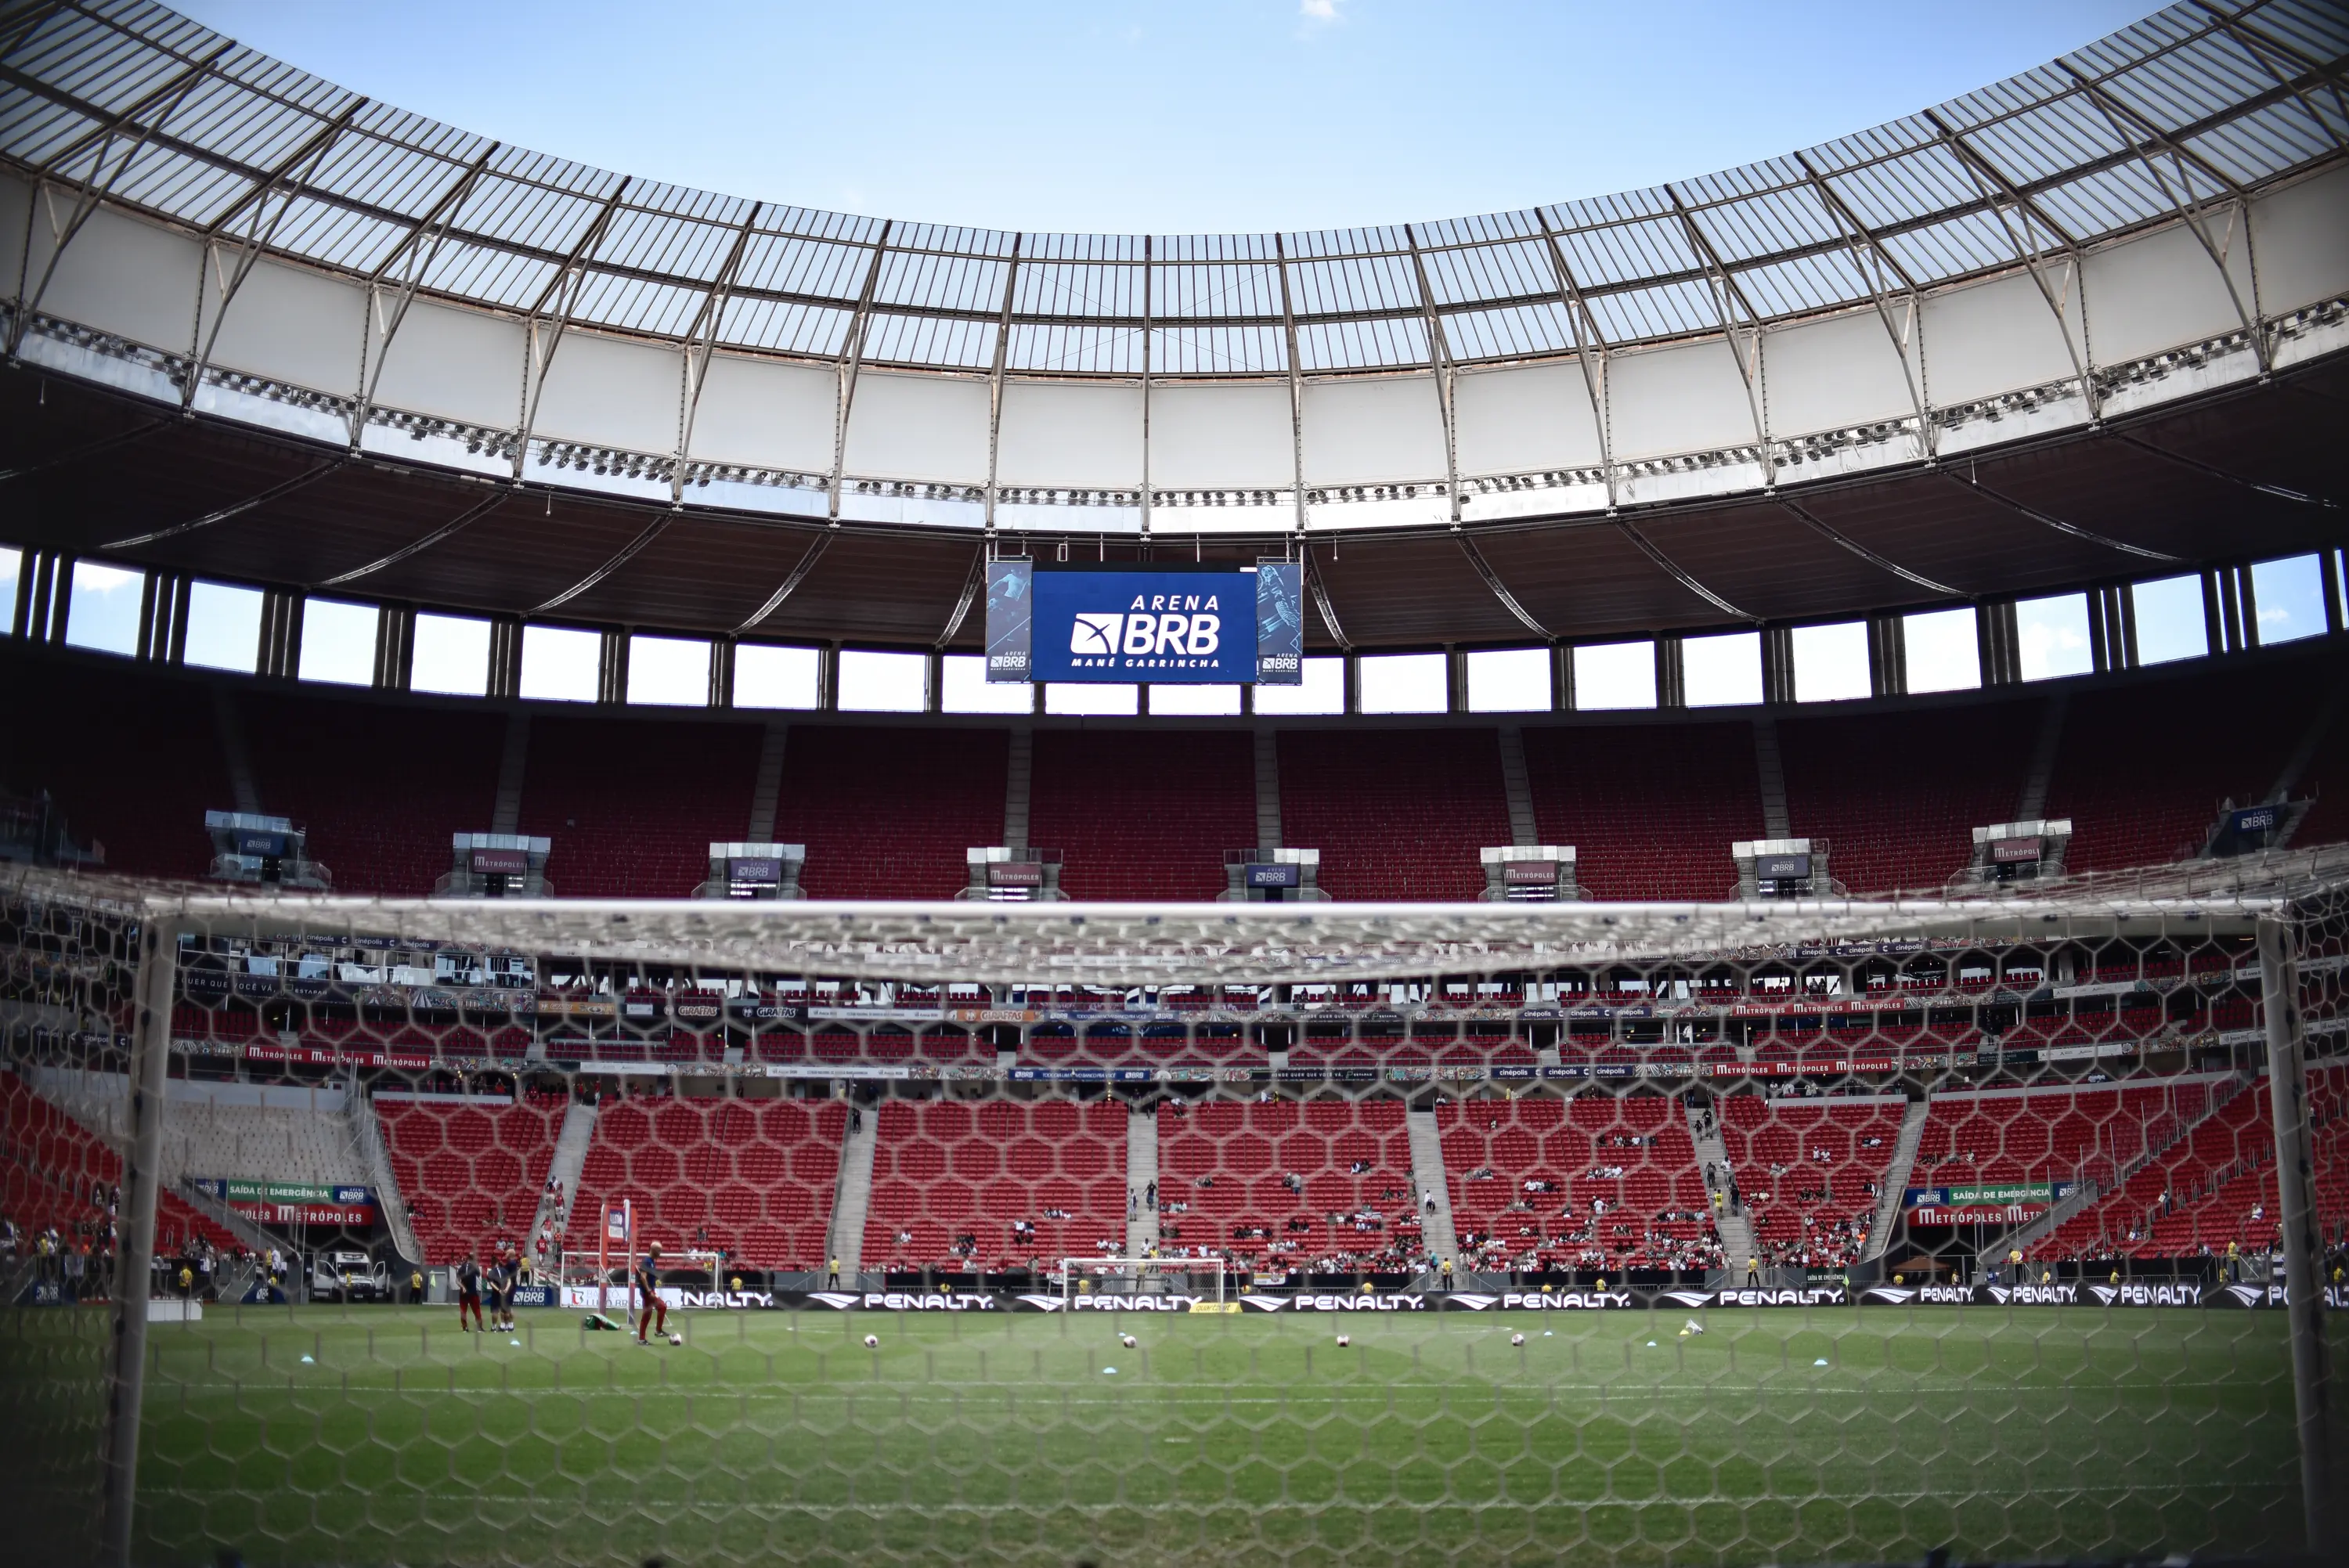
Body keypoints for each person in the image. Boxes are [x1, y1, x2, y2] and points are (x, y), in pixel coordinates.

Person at [635, 1243, 670, 1345]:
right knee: (662, 1306)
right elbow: (643, 1277)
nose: (660, 1254)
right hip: (648, 1292)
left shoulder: (651, 1261)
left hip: (649, 1291)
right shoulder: (647, 1261)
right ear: (653, 1250)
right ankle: (658, 1331)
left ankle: (643, 1338)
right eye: (659, 1251)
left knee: (648, 1315)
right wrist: (649, 1291)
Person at [456, 1253, 485, 1332]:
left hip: (463, 1293)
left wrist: (462, 1287)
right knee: (477, 1310)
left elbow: (457, 1281)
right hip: (473, 1292)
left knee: (463, 1311)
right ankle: (479, 1328)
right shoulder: (474, 1267)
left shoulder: (462, 1267)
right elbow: (479, 1275)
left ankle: (465, 1328)